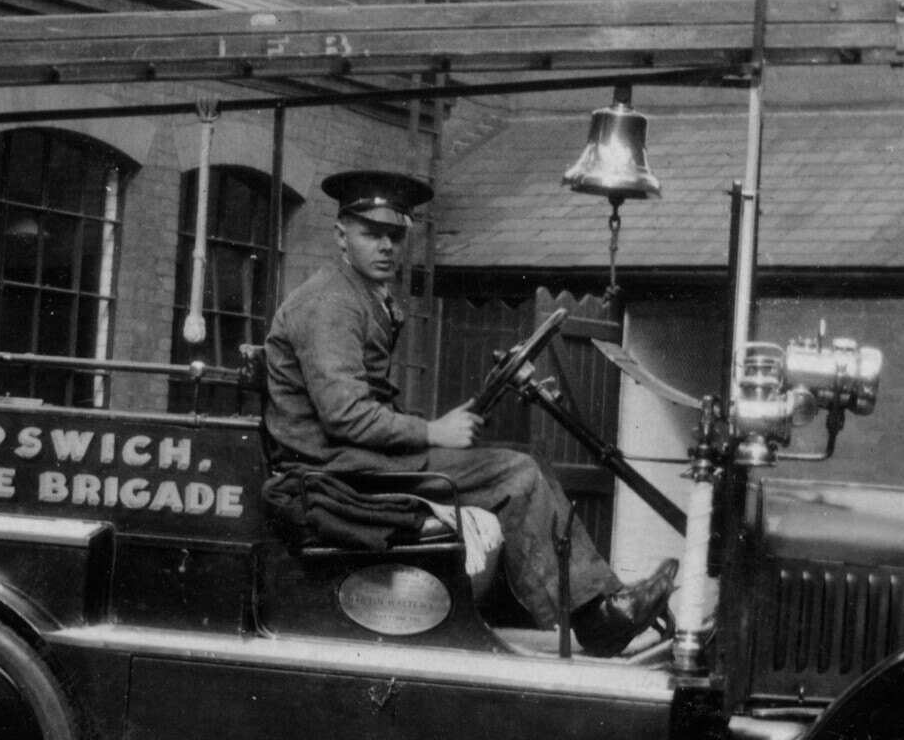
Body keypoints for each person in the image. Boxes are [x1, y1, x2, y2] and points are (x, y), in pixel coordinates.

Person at [260, 169, 678, 656]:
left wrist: (436, 430)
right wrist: (433, 431)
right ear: (341, 236)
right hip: (332, 470)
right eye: (370, 234)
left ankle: (590, 600)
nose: (385, 247)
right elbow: (346, 416)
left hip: (352, 460)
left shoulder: (361, 295)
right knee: (517, 474)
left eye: (395, 235)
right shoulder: (331, 302)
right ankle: (596, 619)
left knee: (527, 460)